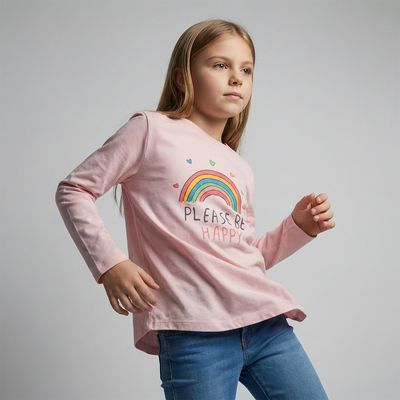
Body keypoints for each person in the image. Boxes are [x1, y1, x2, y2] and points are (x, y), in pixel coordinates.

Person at [55, 18, 335, 400]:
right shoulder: (150, 130)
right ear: (182, 77)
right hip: (192, 334)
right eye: (220, 65)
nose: (236, 78)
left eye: (246, 70)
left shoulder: (238, 166)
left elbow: (241, 256)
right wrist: (111, 265)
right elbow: (74, 189)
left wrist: (297, 228)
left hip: (265, 325)